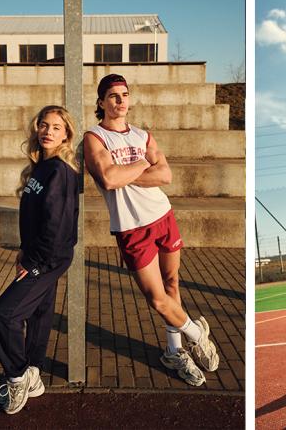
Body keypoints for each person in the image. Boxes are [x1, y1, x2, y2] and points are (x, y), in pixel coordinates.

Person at [83, 74, 220, 387]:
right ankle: (197, 333)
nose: (120, 101)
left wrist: (128, 171)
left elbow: (166, 175)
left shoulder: (143, 135)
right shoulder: (95, 138)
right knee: (157, 299)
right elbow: (108, 180)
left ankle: (174, 351)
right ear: (102, 102)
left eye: (125, 95)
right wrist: (144, 164)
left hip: (162, 215)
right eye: (113, 96)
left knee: (172, 284)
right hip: (131, 228)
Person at [0, 105, 80, 414]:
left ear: (66, 134)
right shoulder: (40, 167)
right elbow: (35, 218)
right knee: (40, 314)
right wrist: (23, 250)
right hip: (38, 254)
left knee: (6, 314)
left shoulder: (61, 171)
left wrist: (35, 263)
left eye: (56, 127)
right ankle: (33, 373)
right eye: (44, 125)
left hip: (49, 258)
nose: (48, 131)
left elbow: (57, 226)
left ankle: (16, 377)